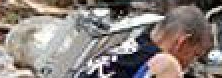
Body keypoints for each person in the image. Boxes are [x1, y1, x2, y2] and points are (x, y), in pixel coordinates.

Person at [75, 6, 214, 78]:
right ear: (182, 42)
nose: (190, 64)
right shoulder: (165, 64)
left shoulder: (124, 51)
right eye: (195, 55)